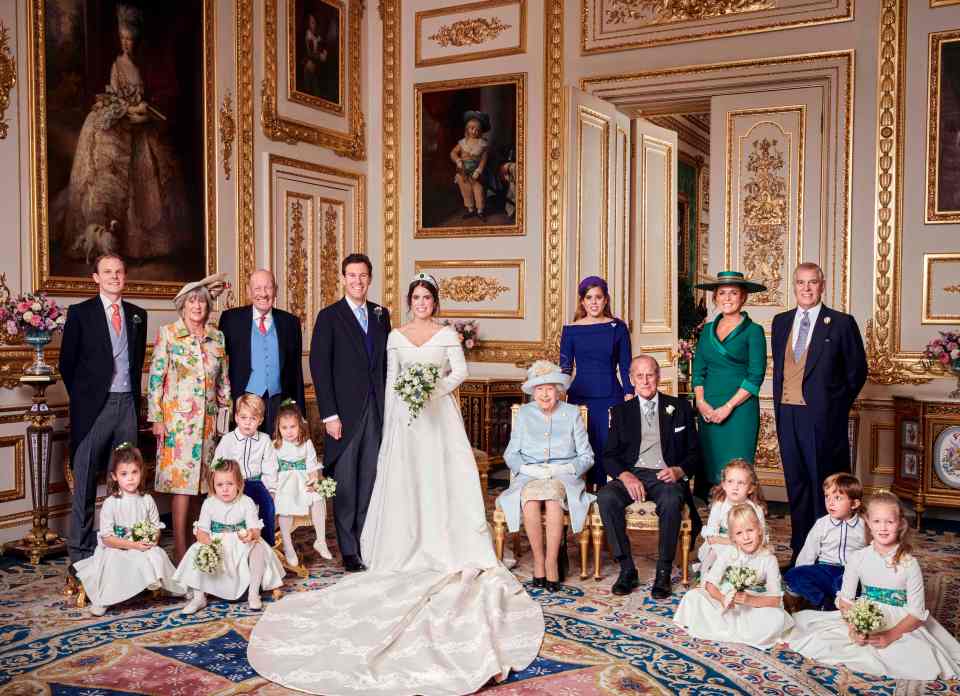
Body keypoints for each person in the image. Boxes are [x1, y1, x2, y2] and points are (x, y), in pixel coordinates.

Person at [248, 272, 544, 695]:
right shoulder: (396, 334)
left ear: (434, 303)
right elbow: (388, 380)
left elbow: (459, 372)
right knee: (406, 481)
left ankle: (443, 540)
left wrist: (432, 388)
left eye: (427, 298)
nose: (422, 303)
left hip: (439, 418)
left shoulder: (445, 335)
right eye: (416, 297)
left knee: (441, 480)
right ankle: (405, 542)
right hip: (406, 422)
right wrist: (397, 415)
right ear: (409, 301)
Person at [60, 3, 190, 262]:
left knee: (147, 178)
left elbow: (139, 95)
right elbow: (117, 96)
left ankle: (139, 244)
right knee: (116, 179)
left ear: (136, 40)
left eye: (130, 39)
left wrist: (142, 108)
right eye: (123, 39)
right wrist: (127, 108)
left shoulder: (139, 68)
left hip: (138, 125)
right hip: (121, 124)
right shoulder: (117, 65)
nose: (126, 44)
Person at [787, 491, 960, 680]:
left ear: (900, 524)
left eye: (889, 522)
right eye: (877, 522)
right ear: (867, 522)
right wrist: (855, 628)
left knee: (917, 659)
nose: (883, 528)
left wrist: (890, 635)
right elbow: (846, 600)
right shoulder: (858, 558)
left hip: (900, 620)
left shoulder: (910, 564)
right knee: (821, 640)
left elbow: (917, 614)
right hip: (865, 613)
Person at [772, 262, 868, 564]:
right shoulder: (780, 321)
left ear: (822, 286)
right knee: (797, 487)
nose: (806, 288)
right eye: (801, 282)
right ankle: (801, 555)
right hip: (788, 415)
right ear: (794, 285)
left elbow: (857, 373)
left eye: (812, 283)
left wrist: (832, 409)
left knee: (824, 489)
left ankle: (827, 557)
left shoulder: (840, 323)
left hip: (823, 421)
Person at [60, 253, 148, 567]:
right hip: (93, 409)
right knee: (84, 481)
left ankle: (123, 552)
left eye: (119, 271)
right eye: (107, 272)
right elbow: (66, 364)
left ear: (125, 276)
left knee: (127, 480)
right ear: (96, 277)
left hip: (127, 405)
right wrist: (86, 399)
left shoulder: (138, 315)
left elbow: (135, 364)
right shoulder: (80, 313)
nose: (114, 276)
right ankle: (81, 557)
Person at [308, 253, 391, 573]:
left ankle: (366, 542)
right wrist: (329, 415)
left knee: (370, 479)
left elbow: (386, 364)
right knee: (345, 483)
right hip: (343, 414)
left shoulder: (382, 315)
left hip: (376, 409)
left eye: (363, 276)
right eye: (351, 275)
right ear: (343, 278)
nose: (357, 281)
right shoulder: (329, 316)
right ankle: (349, 550)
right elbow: (320, 367)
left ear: (370, 279)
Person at [598, 355, 702, 600]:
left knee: (671, 499)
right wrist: (626, 477)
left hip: (665, 474)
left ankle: (663, 571)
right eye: (639, 376)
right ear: (631, 379)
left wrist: (679, 471)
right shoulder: (621, 412)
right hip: (632, 473)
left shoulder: (680, 408)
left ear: (659, 377)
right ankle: (627, 570)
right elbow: (609, 456)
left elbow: (695, 453)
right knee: (606, 497)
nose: (645, 381)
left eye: (650, 375)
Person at [148, 273, 231, 562]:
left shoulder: (217, 336)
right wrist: (156, 418)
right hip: (177, 425)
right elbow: (156, 378)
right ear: (183, 305)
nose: (197, 306)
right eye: (192, 301)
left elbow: (224, 381)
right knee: (181, 487)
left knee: (203, 486)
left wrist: (225, 415)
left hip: (208, 425)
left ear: (208, 307)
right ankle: (181, 552)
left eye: (202, 302)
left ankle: (201, 546)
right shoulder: (169, 333)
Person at [497, 360, 595, 591]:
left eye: (549, 388)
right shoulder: (524, 413)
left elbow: (587, 457)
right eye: (539, 389)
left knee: (552, 500)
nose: (544, 394)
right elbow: (511, 454)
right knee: (530, 500)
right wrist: (529, 470)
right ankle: (538, 561)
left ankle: (551, 563)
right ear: (533, 392)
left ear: (558, 390)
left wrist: (562, 469)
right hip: (530, 474)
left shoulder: (571, 414)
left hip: (563, 475)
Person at [74, 444, 184, 617]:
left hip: (141, 544)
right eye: (124, 474)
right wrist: (132, 545)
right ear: (114, 476)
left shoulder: (147, 500)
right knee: (113, 560)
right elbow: (107, 539)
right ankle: (104, 599)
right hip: (118, 546)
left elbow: (156, 528)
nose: (130, 478)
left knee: (157, 555)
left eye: (134, 472)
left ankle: (178, 589)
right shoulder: (111, 503)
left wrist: (152, 540)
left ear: (141, 472)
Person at [674, 503, 794, 650]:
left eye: (750, 530)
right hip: (726, 602)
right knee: (693, 597)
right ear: (733, 538)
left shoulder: (768, 559)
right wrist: (722, 598)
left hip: (755, 605)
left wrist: (750, 600)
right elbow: (710, 583)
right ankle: (733, 629)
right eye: (739, 533)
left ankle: (724, 628)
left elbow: (775, 599)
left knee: (776, 618)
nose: (746, 537)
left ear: (760, 531)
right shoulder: (728, 553)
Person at [175, 459, 284, 613]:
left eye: (230, 484)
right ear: (213, 485)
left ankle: (253, 593)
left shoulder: (246, 502)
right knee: (197, 549)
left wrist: (250, 535)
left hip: (241, 543)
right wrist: (209, 545)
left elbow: (255, 529)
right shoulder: (209, 504)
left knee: (258, 548)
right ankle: (199, 597)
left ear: (239, 484)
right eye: (220, 485)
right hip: (217, 542)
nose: (225, 489)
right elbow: (201, 531)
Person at [691, 271, 767, 490]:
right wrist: (701, 402)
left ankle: (738, 521)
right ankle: (716, 518)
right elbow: (698, 371)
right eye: (722, 293)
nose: (727, 298)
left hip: (739, 410)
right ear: (715, 297)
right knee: (712, 466)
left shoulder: (754, 331)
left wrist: (728, 407)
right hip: (708, 408)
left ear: (743, 297)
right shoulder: (706, 331)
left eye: (733, 293)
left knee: (737, 468)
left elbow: (755, 377)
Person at [560, 275, 634, 487]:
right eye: (589, 297)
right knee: (582, 444)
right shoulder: (571, 330)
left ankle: (608, 493)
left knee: (607, 446)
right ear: (582, 301)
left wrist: (629, 394)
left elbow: (626, 364)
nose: (594, 302)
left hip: (611, 395)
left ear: (606, 300)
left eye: (598, 297)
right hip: (579, 397)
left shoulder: (618, 328)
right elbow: (565, 368)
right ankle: (580, 491)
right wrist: (559, 396)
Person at [219, 269, 305, 436]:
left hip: (279, 402)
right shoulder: (231, 319)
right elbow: (217, 362)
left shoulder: (291, 323)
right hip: (243, 403)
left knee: (277, 453)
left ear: (276, 291)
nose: (263, 294)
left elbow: (296, 373)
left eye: (268, 288)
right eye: (257, 288)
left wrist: (300, 413)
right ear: (249, 291)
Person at [784, 473, 866, 612]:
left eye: (837, 498)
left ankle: (841, 603)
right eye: (827, 496)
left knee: (848, 584)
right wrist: (802, 572)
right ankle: (823, 603)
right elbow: (809, 551)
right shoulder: (822, 524)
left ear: (854, 504)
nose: (830, 502)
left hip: (849, 573)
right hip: (824, 570)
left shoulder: (864, 527)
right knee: (792, 575)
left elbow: (872, 553)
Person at [265, 399, 331, 566]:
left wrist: (314, 479)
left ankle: (320, 540)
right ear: (278, 429)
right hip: (284, 482)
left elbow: (312, 464)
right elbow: (271, 469)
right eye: (284, 428)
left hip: (303, 480)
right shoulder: (275, 445)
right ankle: (288, 546)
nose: (289, 432)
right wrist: (271, 489)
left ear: (300, 426)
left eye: (292, 427)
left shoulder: (306, 443)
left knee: (317, 497)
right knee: (284, 504)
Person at [212, 394, 276, 548]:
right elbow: (217, 464)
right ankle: (233, 542)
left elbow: (270, 466)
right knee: (234, 507)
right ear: (236, 417)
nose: (248, 423)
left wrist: (271, 489)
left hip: (256, 482)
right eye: (243, 417)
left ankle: (265, 545)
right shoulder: (228, 439)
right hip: (234, 482)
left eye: (253, 419)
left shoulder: (265, 440)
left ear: (260, 421)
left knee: (267, 504)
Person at [697, 459, 767, 577]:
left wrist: (735, 542)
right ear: (724, 485)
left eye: (741, 483)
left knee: (756, 563)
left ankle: (740, 577)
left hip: (746, 543)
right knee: (713, 556)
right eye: (730, 481)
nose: (735, 487)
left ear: (750, 488)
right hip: (721, 544)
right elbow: (711, 535)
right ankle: (710, 578)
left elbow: (761, 536)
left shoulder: (755, 509)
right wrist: (722, 541)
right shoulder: (719, 505)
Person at [450, 111, 491, 221]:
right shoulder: (463, 142)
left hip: (476, 172)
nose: (475, 131)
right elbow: (453, 153)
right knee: (466, 190)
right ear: (467, 129)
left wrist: (479, 170)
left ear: (481, 131)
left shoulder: (483, 143)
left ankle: (480, 211)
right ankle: (471, 209)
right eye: (472, 128)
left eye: (478, 130)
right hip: (463, 171)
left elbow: (484, 159)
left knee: (478, 190)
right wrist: (458, 160)